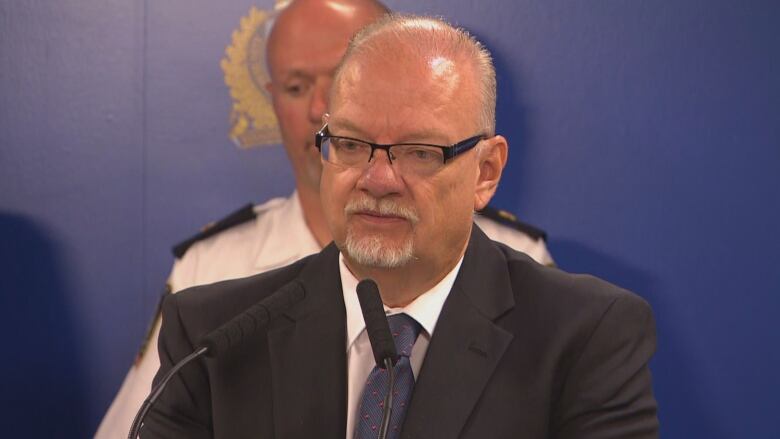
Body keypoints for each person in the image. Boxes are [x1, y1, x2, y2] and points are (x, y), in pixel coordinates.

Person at [141, 13, 658, 439]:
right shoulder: (211, 336)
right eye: (349, 144)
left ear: (486, 172)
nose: (378, 179)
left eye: (419, 152)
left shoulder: (585, 337)